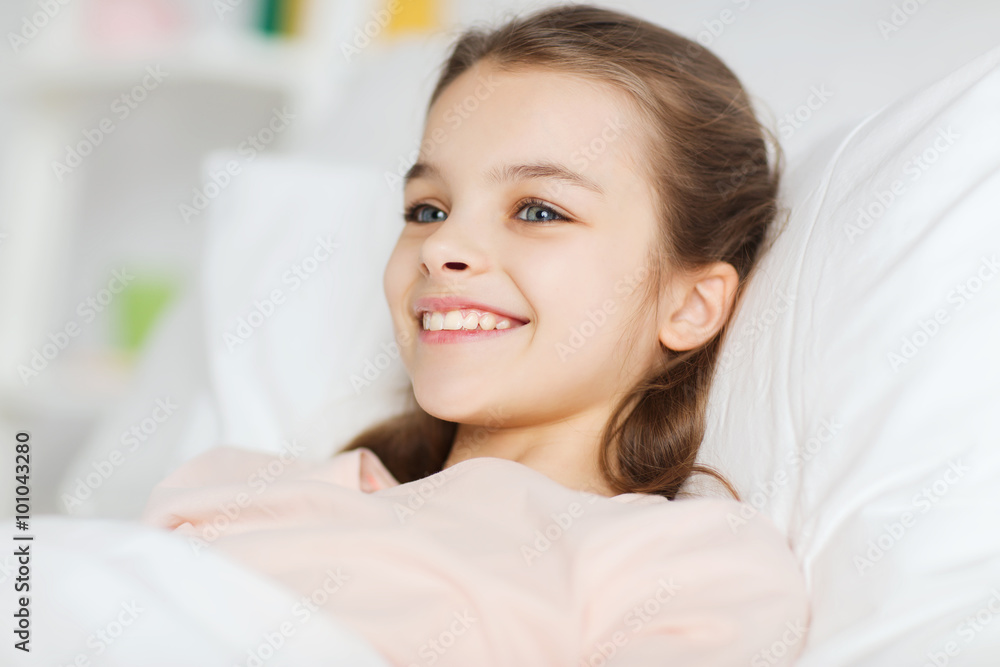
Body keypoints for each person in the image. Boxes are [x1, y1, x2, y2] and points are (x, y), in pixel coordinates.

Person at [142, 5, 809, 665]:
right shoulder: (240, 488)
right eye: (426, 209)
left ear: (691, 303)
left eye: (539, 210)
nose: (443, 246)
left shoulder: (683, 566)